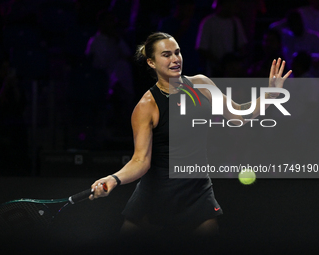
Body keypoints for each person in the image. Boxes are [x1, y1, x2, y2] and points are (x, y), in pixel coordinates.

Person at [88, 32, 291, 250]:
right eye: (166, 55)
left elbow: (239, 115)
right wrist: (114, 178)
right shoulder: (146, 107)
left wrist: (270, 94)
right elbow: (140, 161)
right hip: (156, 194)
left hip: (197, 190)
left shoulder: (201, 85)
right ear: (151, 62)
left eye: (177, 52)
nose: (175, 59)